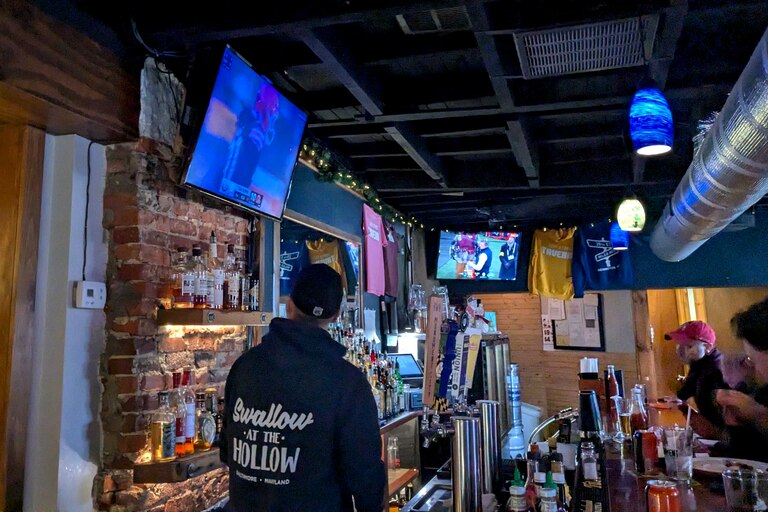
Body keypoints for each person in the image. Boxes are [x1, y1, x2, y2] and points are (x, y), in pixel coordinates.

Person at [220, 264, 386, 511]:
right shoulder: (347, 382)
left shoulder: (244, 367)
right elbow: (366, 479)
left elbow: (227, 452)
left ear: (289, 304)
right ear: (336, 315)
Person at [716, 298, 768, 461]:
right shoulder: (763, 393)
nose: (753, 369)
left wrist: (759, 416)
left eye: (752, 359)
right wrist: (738, 424)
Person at [664, 320, 727, 429]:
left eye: (689, 346)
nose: (680, 351)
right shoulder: (699, 363)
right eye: (679, 345)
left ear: (707, 347)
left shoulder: (717, 369)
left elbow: (719, 414)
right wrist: (679, 398)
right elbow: (688, 388)